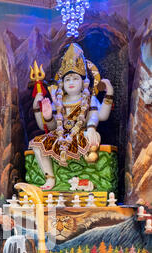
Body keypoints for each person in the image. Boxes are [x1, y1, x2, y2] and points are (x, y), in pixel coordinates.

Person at [29, 43, 114, 190]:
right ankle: (50, 178)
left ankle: (88, 180)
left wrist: (109, 94)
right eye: (67, 80)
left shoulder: (89, 99)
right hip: (60, 136)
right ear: (62, 84)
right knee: (37, 144)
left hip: (82, 134)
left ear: (83, 82)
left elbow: (101, 116)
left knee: (92, 138)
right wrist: (48, 116)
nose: (71, 83)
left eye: (75, 79)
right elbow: (52, 127)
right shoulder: (59, 101)